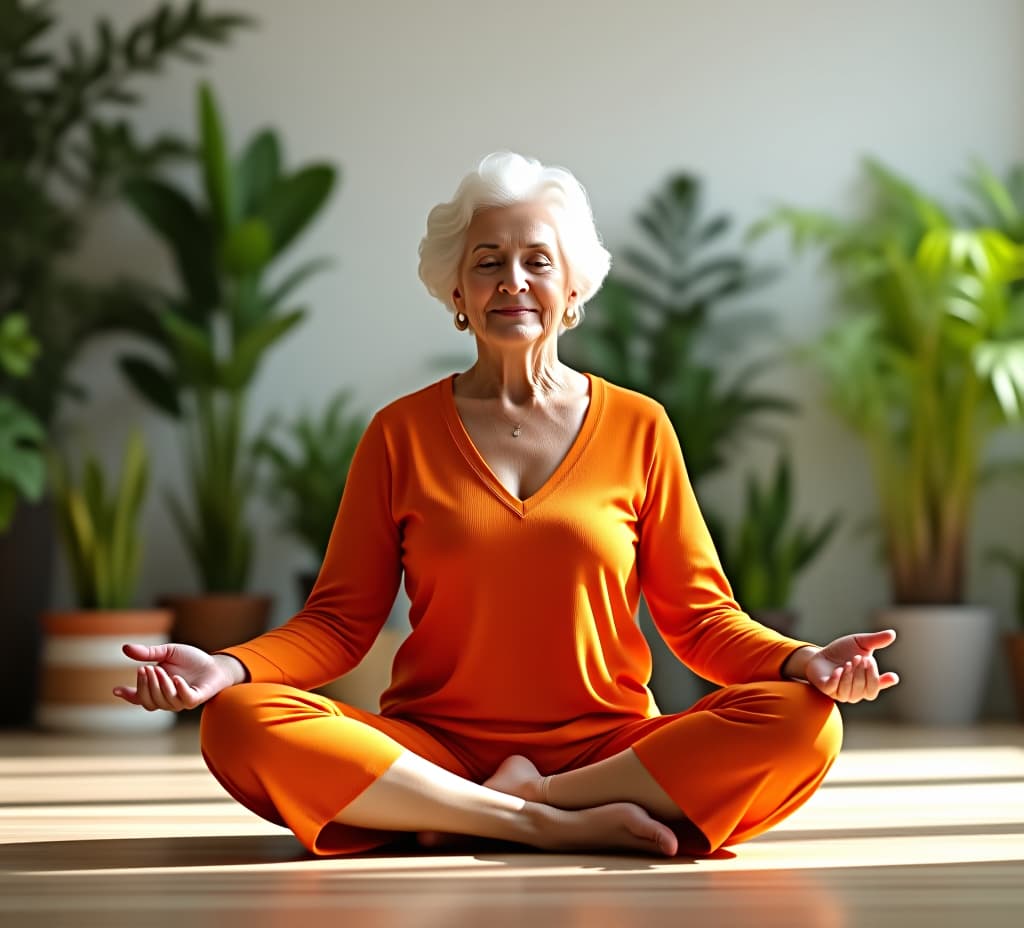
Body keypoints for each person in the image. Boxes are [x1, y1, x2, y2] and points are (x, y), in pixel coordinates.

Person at [114, 152, 899, 859]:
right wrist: (226, 667)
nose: (512, 282)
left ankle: (514, 804)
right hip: (432, 750)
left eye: (537, 262)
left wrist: (805, 661)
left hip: (609, 750)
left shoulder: (639, 426)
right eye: (488, 263)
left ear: (573, 289)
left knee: (806, 720)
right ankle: (536, 821)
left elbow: (698, 618)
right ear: (457, 290)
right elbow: (339, 622)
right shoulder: (400, 433)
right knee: (238, 722)